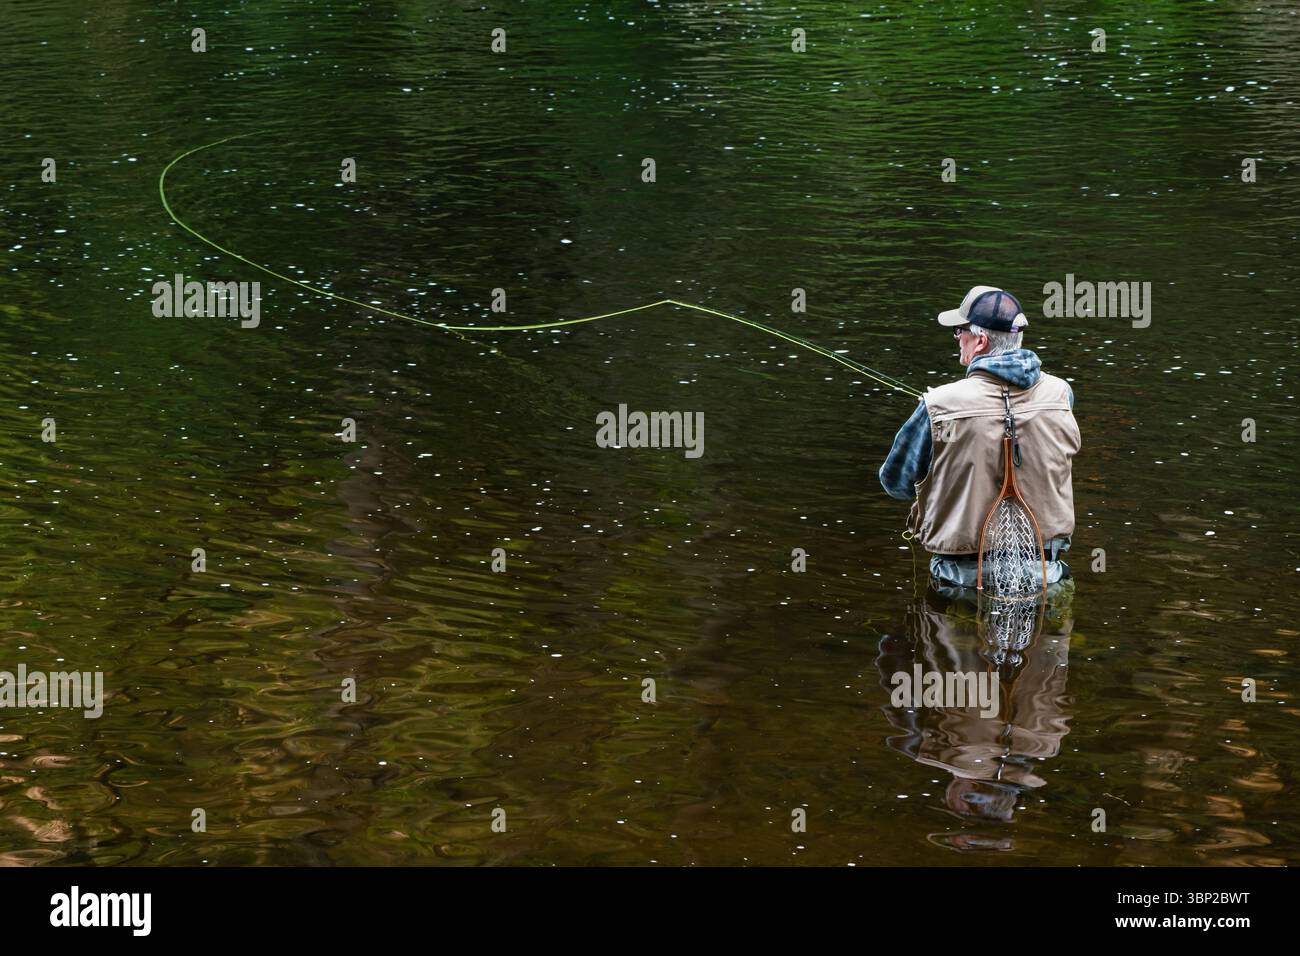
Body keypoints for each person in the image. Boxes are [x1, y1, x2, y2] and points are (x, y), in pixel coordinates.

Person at [879, 286, 1081, 590]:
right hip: (1046, 574)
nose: (957, 337)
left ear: (981, 341)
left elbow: (896, 484)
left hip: (960, 581)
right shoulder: (1061, 394)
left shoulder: (937, 405)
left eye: (960, 330)